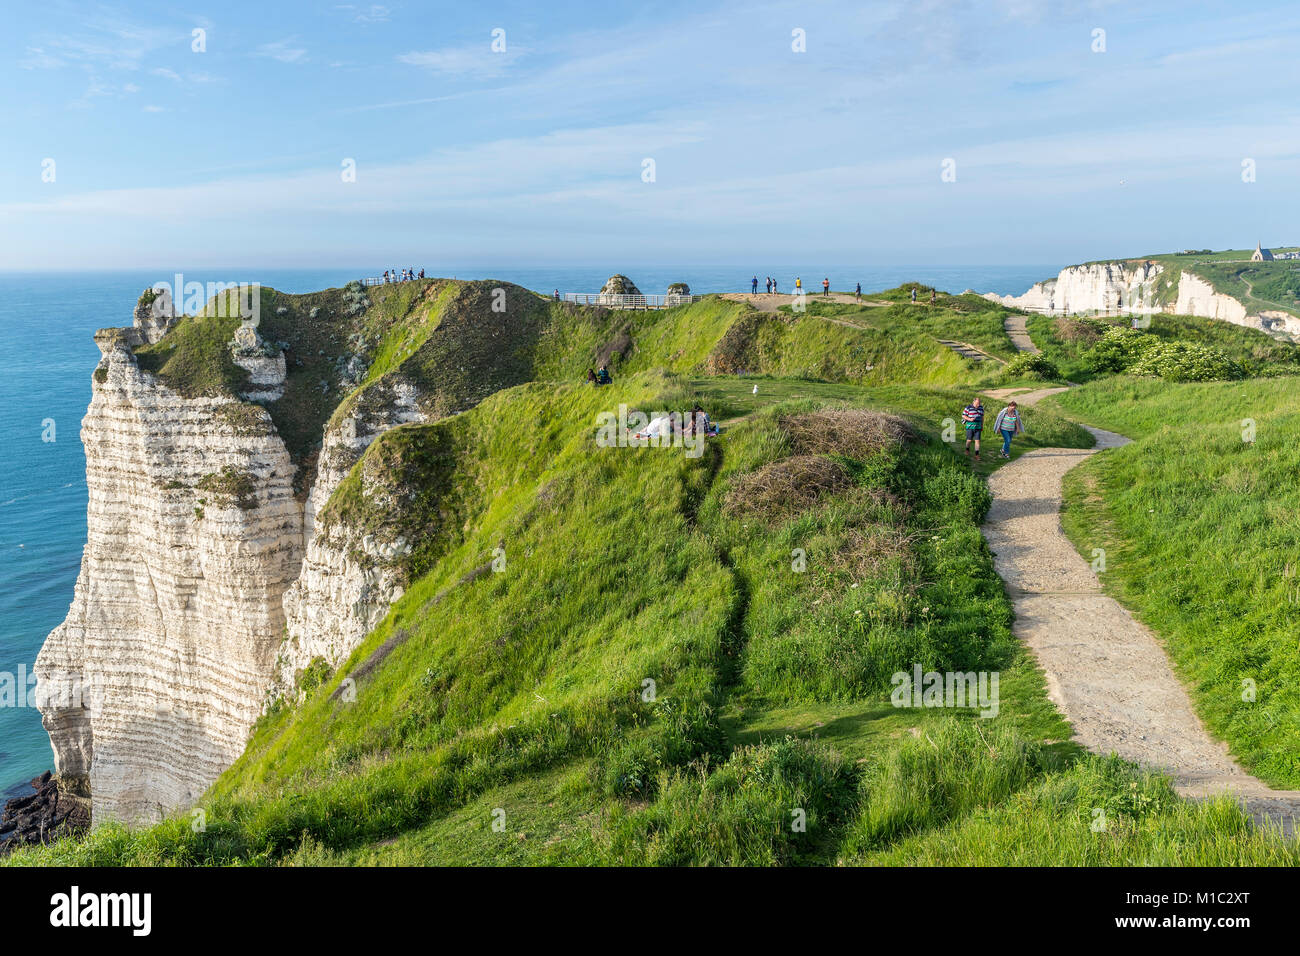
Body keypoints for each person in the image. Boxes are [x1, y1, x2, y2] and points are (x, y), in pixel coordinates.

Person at [961, 397, 984, 461]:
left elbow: (982, 417)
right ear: (973, 402)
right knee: (969, 440)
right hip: (970, 426)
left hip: (978, 427)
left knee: (977, 441)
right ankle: (967, 450)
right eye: (977, 403)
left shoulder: (981, 408)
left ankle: (977, 455)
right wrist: (970, 419)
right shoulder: (968, 407)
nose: (978, 405)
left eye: (979, 403)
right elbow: (963, 415)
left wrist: (982, 425)